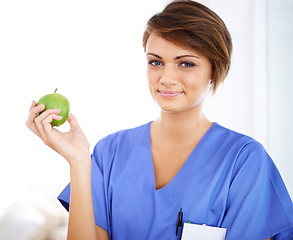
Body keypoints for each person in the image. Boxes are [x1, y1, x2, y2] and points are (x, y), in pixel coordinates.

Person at [26, 0, 293, 239]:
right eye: (155, 62)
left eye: (185, 63)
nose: (166, 78)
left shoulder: (244, 161)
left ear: (214, 69)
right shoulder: (109, 153)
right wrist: (79, 161)